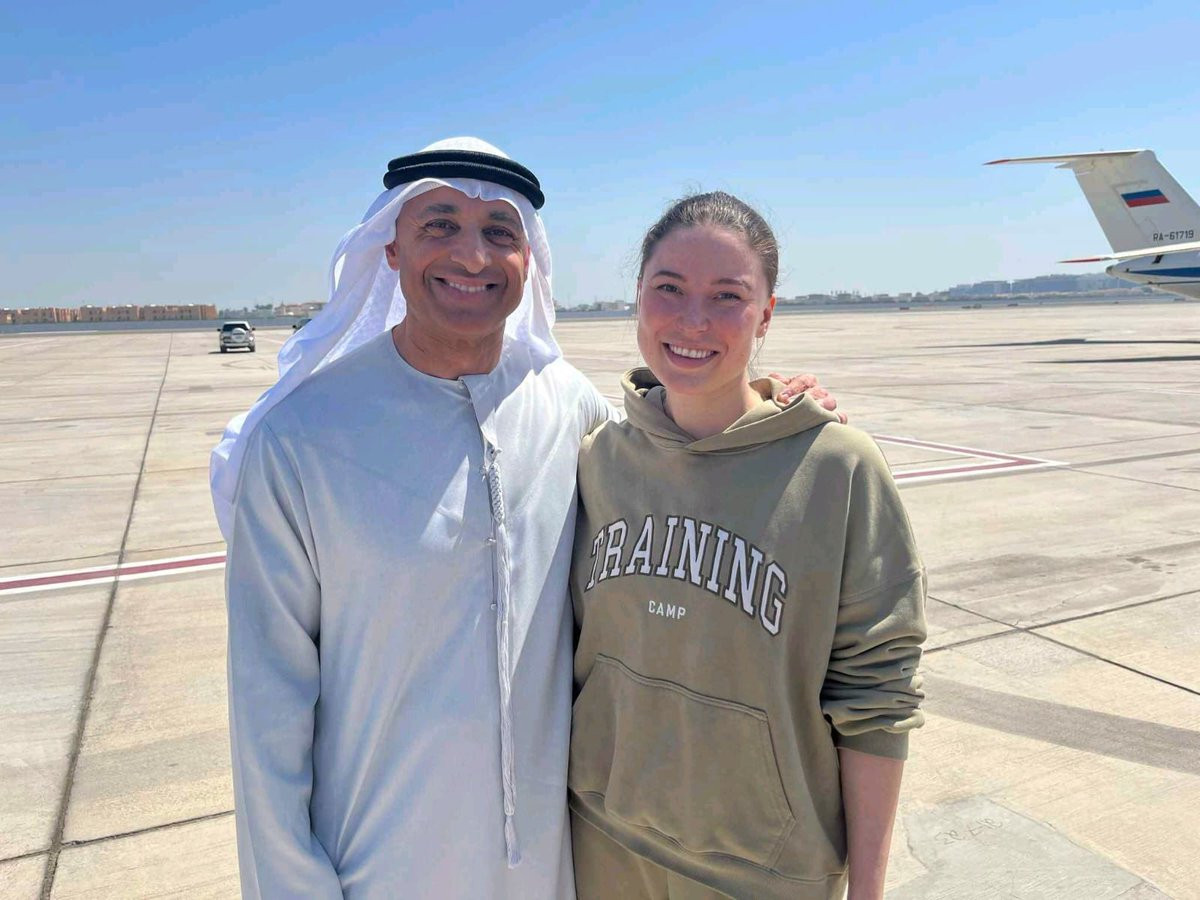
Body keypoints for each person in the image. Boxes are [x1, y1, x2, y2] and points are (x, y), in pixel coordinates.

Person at [212, 139, 839, 899]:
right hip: (376, 862)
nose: (472, 255)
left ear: (527, 258)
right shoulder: (302, 438)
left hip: (547, 865)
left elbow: (678, 457)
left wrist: (768, 406)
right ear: (390, 247)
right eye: (440, 225)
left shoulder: (566, 405)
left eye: (499, 232)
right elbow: (267, 706)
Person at [567, 192, 926, 900]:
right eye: (669, 288)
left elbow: (877, 698)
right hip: (600, 843)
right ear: (637, 297)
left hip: (764, 872)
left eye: (727, 296)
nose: (693, 319)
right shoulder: (597, 461)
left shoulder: (837, 469)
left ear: (765, 315)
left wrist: (868, 891)